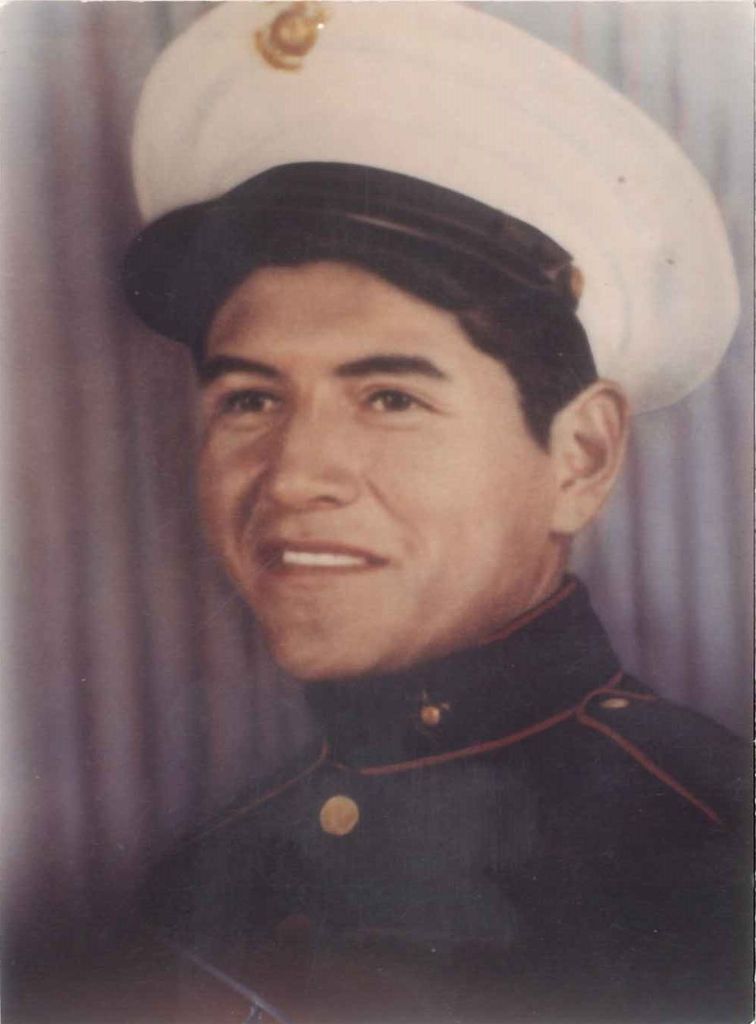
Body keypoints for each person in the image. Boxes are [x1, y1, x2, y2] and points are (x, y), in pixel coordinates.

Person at [22, 3, 754, 1022]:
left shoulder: (714, 859)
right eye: (250, 400)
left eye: (390, 398)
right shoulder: (197, 895)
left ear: (579, 457)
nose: (292, 478)